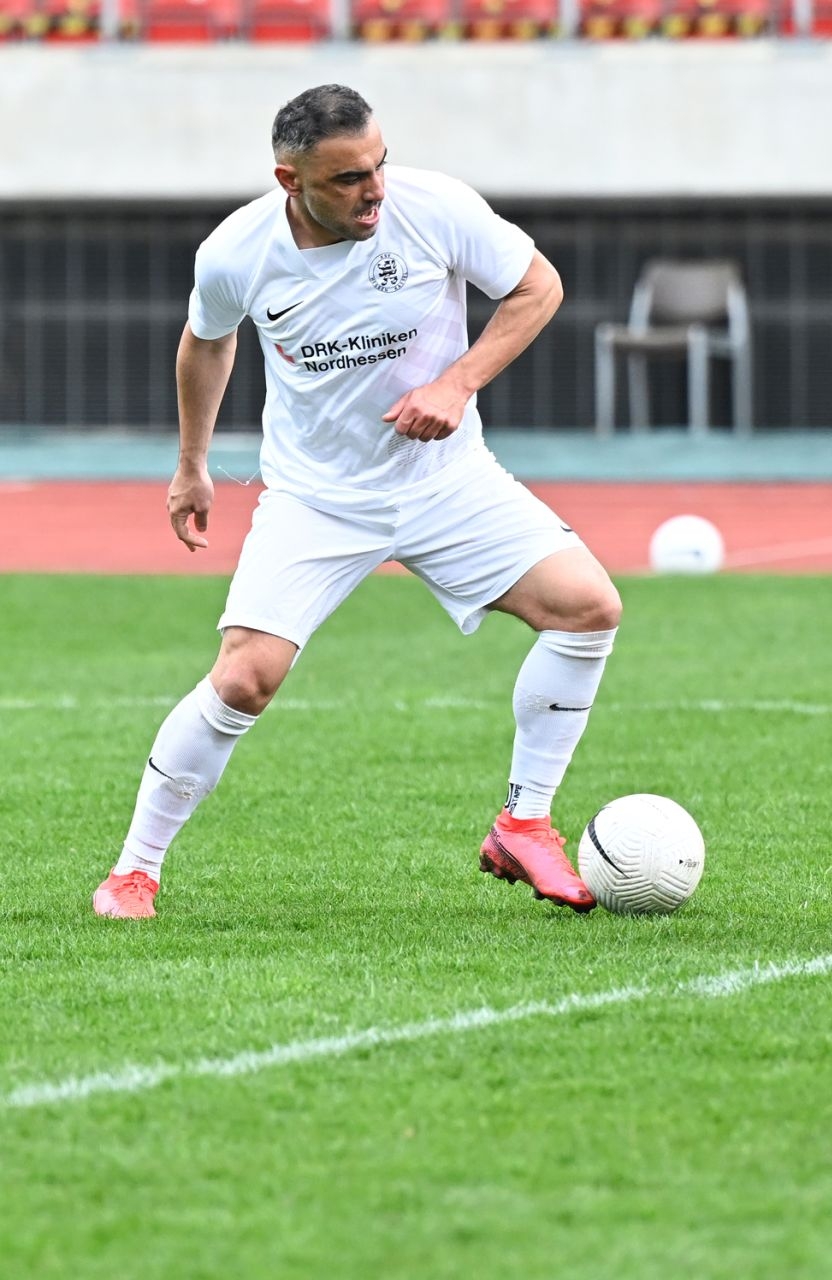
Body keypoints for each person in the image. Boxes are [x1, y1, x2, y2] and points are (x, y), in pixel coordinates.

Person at [91, 85, 622, 919]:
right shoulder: (236, 252)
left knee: (588, 610)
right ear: (290, 180)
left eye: (379, 165)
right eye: (347, 179)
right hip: (318, 499)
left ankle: (523, 823)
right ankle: (133, 872)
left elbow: (538, 287)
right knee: (245, 680)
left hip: (447, 480)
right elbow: (207, 341)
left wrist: (457, 382)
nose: (375, 190)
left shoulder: (434, 207)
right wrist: (192, 464)